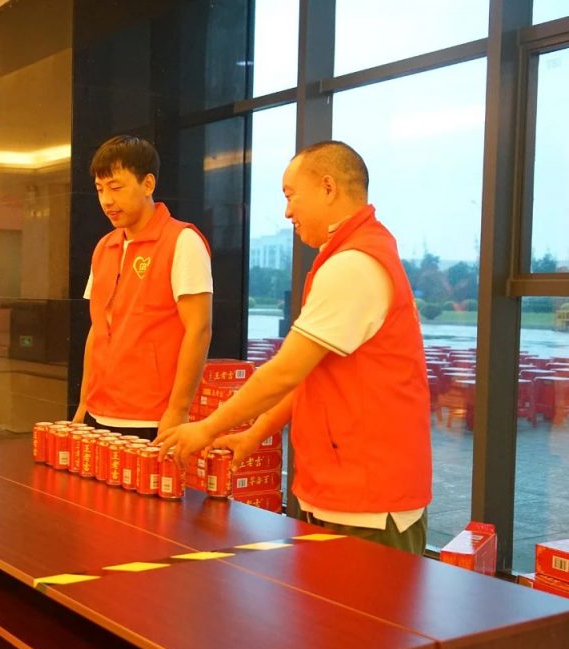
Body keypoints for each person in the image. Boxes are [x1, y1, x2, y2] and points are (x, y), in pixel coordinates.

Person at [156, 140, 432, 555]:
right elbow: (308, 375)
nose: (287, 212)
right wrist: (254, 434)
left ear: (328, 188)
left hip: (368, 499)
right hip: (337, 488)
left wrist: (207, 428)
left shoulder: (355, 264)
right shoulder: (349, 255)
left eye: (290, 195)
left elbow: (284, 371)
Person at [73, 135, 213, 440]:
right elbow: (98, 329)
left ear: (148, 184)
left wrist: (178, 410)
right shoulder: (104, 246)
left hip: (152, 416)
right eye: (100, 189)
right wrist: (84, 402)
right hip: (98, 410)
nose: (106, 200)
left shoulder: (182, 241)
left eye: (116, 188)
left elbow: (199, 329)